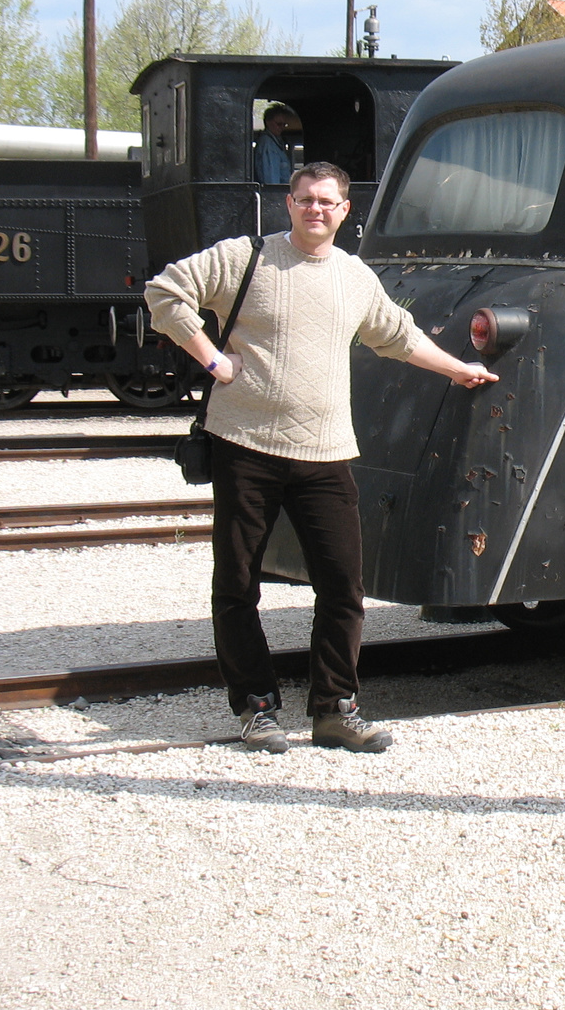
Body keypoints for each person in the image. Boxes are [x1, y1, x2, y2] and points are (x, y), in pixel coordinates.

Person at [145, 161, 498, 754]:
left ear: (344, 212)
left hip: (326, 453)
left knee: (342, 588)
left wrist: (459, 369)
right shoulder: (246, 258)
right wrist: (213, 361)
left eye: (327, 202)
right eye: (306, 198)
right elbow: (165, 293)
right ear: (288, 203)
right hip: (245, 446)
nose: (316, 209)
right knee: (237, 583)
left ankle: (335, 709)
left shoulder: (355, 277)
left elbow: (399, 335)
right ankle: (256, 708)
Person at [254, 104, 300, 185]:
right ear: (268, 122)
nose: (281, 127)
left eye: (284, 125)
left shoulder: (277, 143)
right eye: (278, 124)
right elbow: (271, 178)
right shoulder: (268, 144)